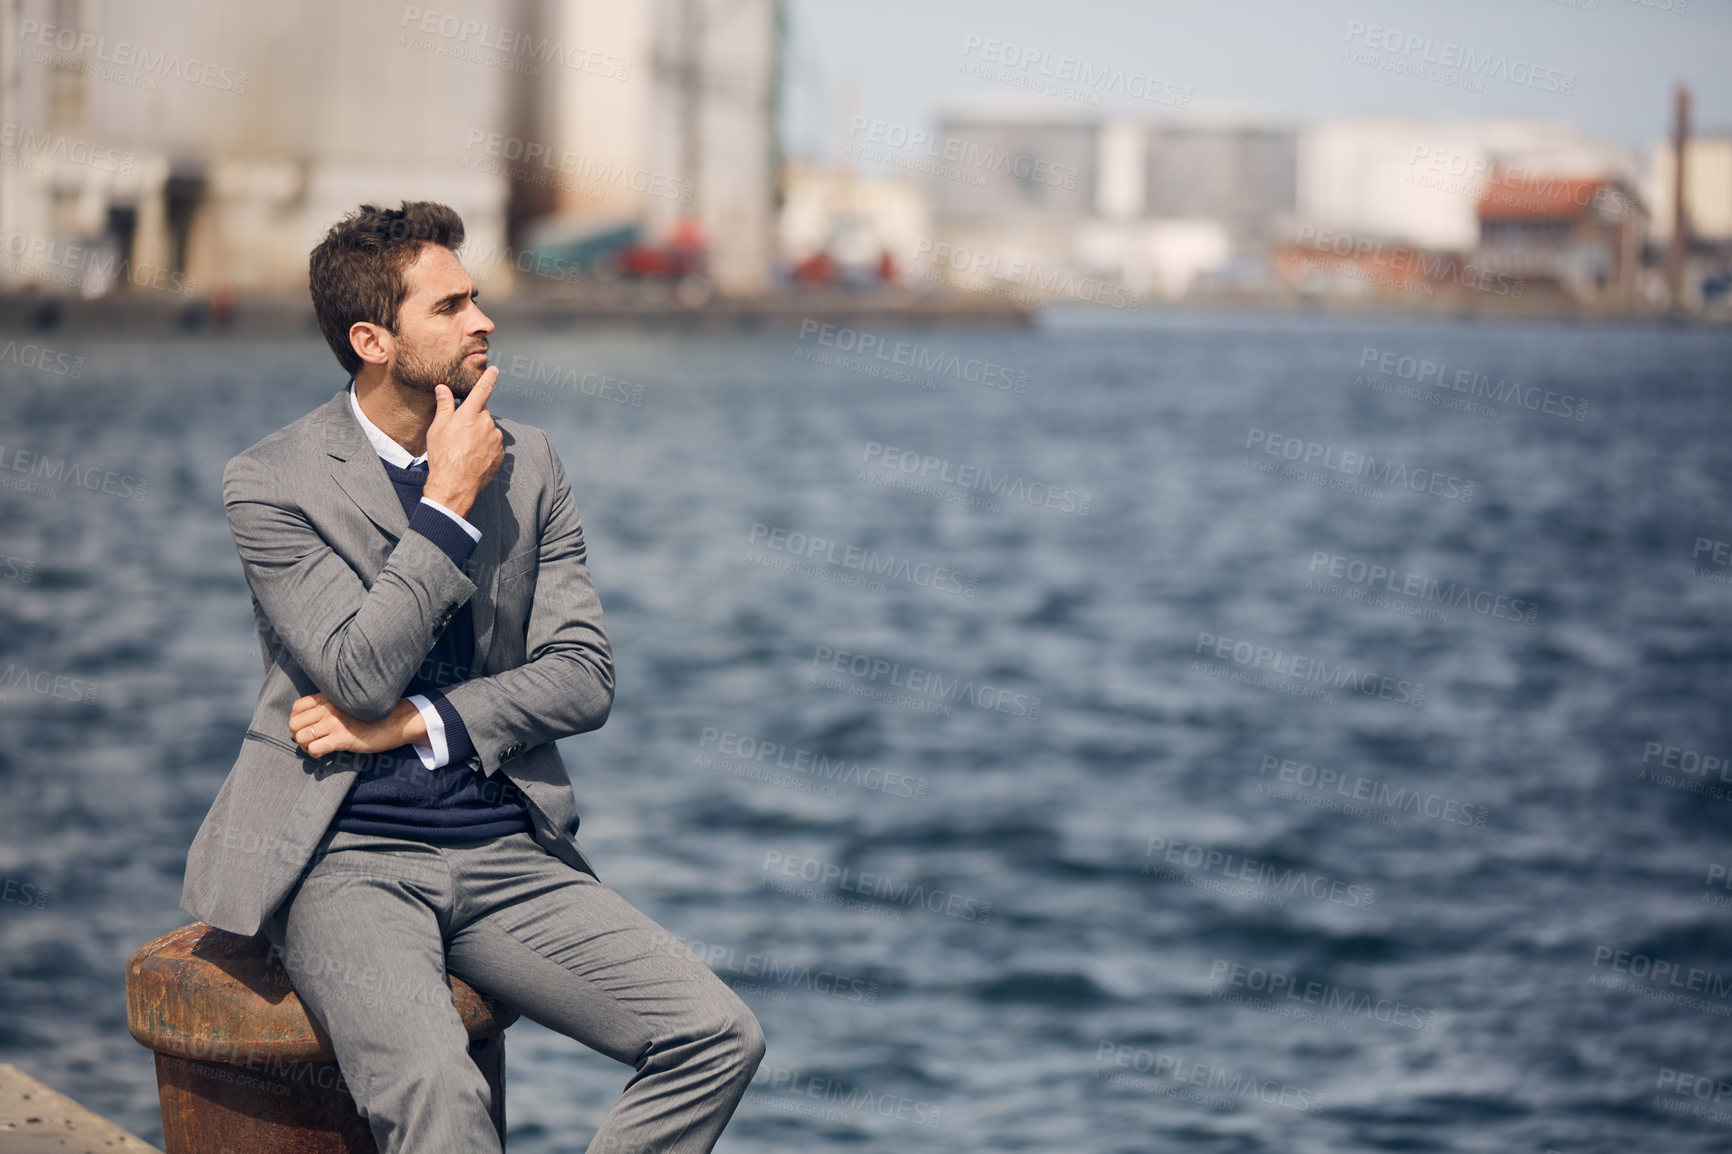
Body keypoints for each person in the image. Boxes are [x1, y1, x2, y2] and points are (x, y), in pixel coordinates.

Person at [180, 200, 763, 1153]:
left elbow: (584, 678)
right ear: (373, 339)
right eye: (449, 306)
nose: (483, 320)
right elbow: (357, 674)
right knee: (442, 1102)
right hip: (345, 858)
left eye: (476, 298)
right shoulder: (272, 481)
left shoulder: (530, 463)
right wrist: (445, 504)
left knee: (715, 1035)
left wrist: (420, 723)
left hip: (506, 851)